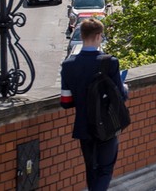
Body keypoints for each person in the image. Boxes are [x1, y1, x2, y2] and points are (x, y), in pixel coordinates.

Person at [60, 18, 129, 191]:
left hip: (83, 126)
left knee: (91, 169)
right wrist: (125, 88)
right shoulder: (109, 62)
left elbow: (66, 102)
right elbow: (120, 96)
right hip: (106, 125)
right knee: (105, 169)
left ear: (82, 36)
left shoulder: (68, 65)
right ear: (99, 36)